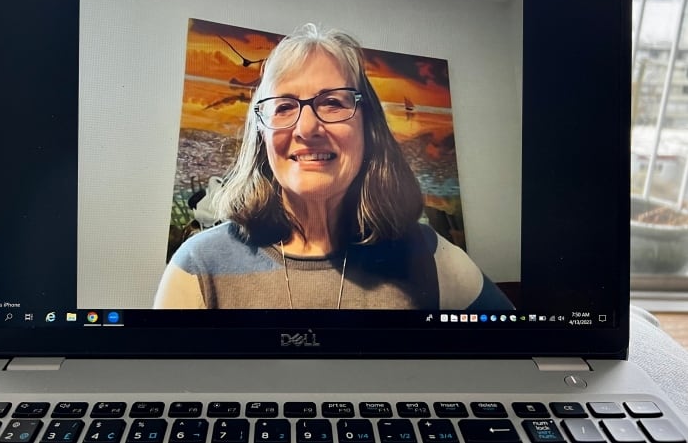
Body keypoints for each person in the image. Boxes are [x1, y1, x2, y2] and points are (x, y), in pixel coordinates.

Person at [154, 23, 513, 310]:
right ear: (261, 137)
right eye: (283, 106)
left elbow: (518, 366)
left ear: (368, 129)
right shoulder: (199, 266)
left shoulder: (430, 257)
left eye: (333, 103)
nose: (307, 128)